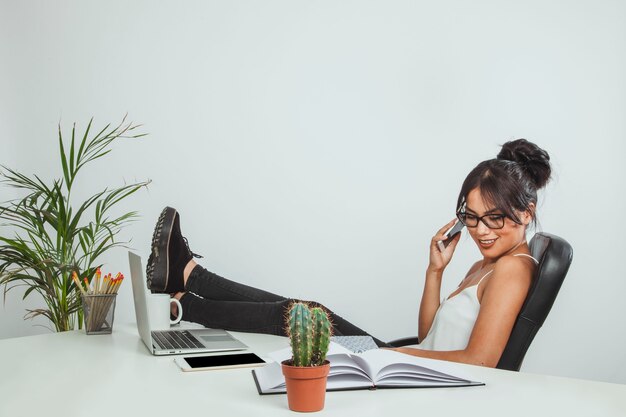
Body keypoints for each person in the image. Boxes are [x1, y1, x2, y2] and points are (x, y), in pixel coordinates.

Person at [146, 138, 551, 367]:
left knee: (297, 317)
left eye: (493, 218)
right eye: (471, 217)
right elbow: (430, 337)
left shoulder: (514, 269)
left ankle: (186, 293)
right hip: (406, 361)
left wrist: (388, 354)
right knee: (302, 311)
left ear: (526, 212)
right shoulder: (488, 263)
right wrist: (435, 272)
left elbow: (480, 360)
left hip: (406, 371)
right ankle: (187, 283)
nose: (480, 230)